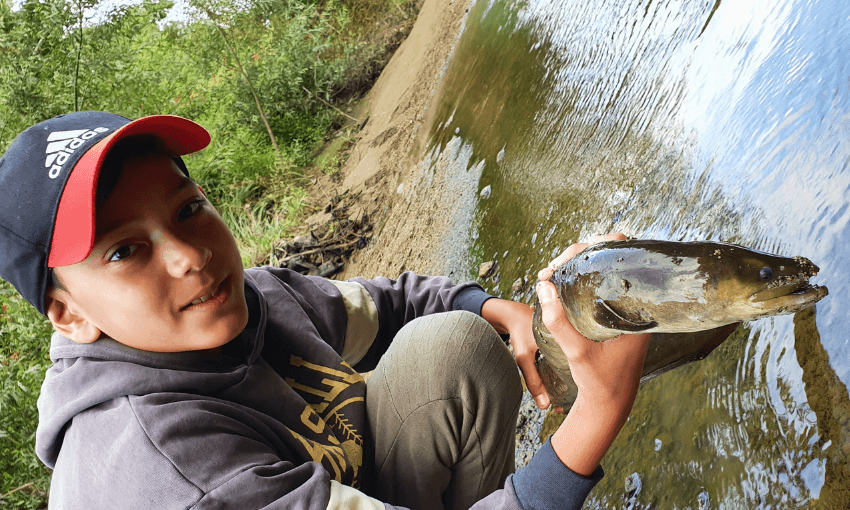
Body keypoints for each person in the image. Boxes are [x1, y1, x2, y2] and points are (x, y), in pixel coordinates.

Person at [0, 111, 650, 509]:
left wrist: (487, 305)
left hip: (339, 483)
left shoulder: (249, 299)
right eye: (124, 252)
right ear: (68, 315)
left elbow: (388, 304)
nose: (188, 257)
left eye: (187, 209)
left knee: (456, 344)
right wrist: (595, 416)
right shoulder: (170, 471)